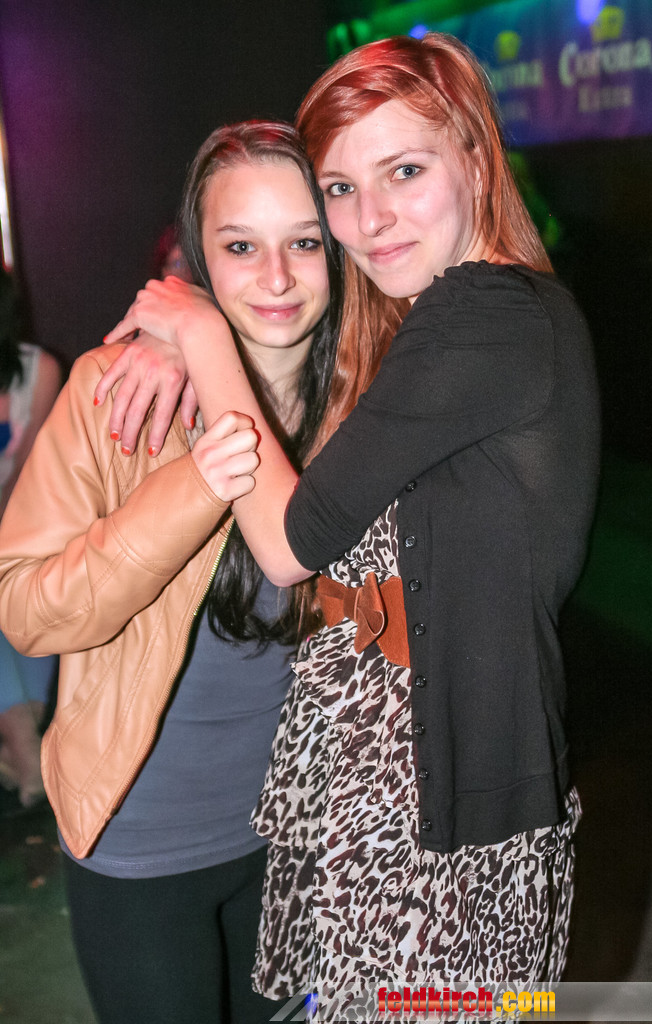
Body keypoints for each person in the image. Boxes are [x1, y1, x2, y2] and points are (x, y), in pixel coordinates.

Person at [97, 32, 600, 1020]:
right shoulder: (433, 323)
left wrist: (198, 332)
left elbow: (289, 542)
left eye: (404, 171)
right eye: (340, 188)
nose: (368, 220)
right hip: (382, 794)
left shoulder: (487, 314)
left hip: (444, 820)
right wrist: (186, 343)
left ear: (474, 158)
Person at [0, 120, 343, 1024]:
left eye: (305, 242)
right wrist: (194, 486)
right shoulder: (116, 390)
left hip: (300, 839)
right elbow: (26, 609)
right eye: (241, 246)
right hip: (142, 844)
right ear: (197, 259)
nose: (277, 277)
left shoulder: (364, 404)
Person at [0, 266, 61, 810]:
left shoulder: (37, 368)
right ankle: (26, 751)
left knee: (28, 586)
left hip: (22, 524)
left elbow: (28, 475)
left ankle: (26, 748)